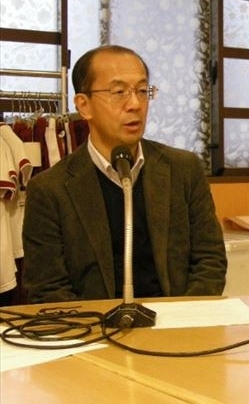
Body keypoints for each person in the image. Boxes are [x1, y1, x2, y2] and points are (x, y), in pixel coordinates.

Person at [22, 45, 227, 303]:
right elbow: (48, 288)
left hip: (175, 319)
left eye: (142, 91)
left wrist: (182, 317)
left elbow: (210, 261)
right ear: (84, 106)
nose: (135, 104)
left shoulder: (184, 169)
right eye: (119, 92)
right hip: (94, 323)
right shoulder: (49, 190)